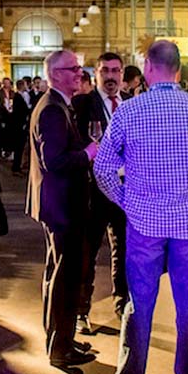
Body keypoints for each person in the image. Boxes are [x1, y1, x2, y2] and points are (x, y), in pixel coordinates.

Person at [94, 40, 188, 374]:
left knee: (139, 303)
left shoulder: (129, 111)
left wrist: (127, 201)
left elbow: (103, 168)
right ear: (179, 69)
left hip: (144, 225)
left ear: (147, 67)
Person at [28, 49, 98, 370]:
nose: (79, 73)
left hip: (60, 203)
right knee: (65, 277)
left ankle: (61, 339)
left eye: (79, 68)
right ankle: (60, 349)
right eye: (73, 68)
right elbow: (54, 161)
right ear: (56, 74)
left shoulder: (58, 105)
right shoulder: (52, 109)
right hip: (62, 205)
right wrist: (88, 153)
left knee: (58, 273)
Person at [71, 52, 128, 334]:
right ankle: (81, 310)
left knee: (124, 250)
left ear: (122, 75)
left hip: (125, 190)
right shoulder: (82, 104)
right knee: (87, 251)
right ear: (96, 74)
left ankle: (123, 305)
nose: (110, 76)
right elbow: (77, 144)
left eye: (115, 71)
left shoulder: (131, 105)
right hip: (93, 190)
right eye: (105, 70)